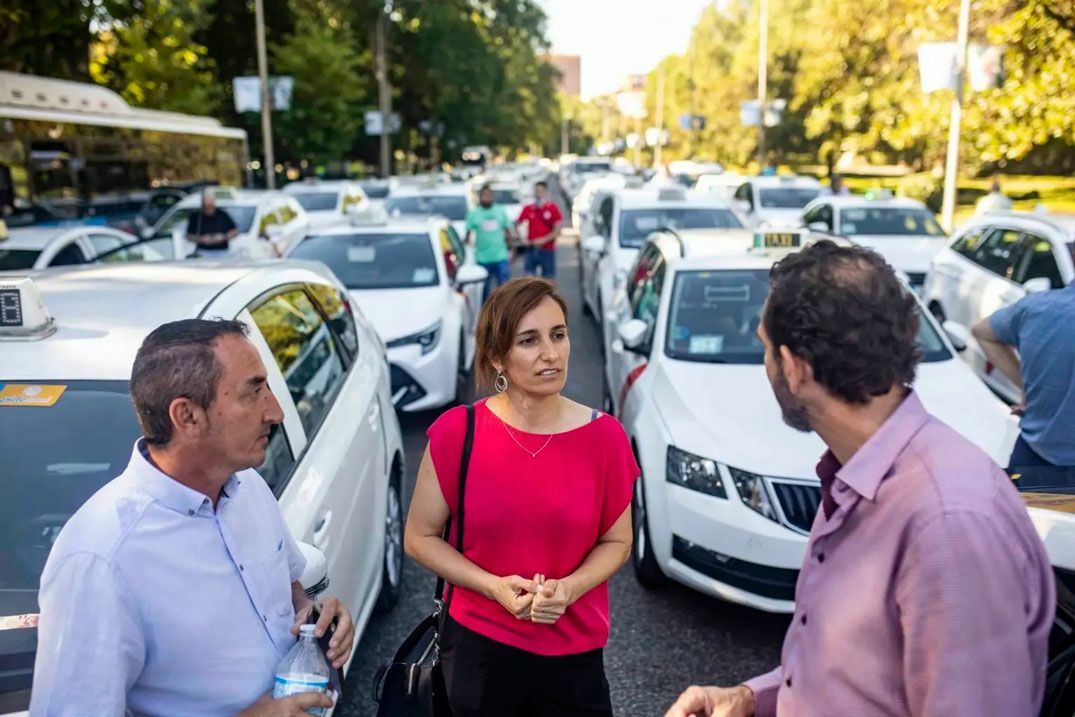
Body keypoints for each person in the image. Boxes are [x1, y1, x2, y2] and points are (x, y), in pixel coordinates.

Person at [666, 241, 1054, 717]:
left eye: (765, 348)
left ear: (794, 367)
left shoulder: (951, 525)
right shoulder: (861, 475)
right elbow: (857, 675)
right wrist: (753, 698)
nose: (764, 363)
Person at [31, 319, 355, 717]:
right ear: (186, 416)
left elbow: (293, 596)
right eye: (254, 391)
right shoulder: (98, 559)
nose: (276, 411)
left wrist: (318, 621)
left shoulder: (247, 486)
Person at [404, 277, 639, 717]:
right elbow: (419, 537)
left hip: (575, 656)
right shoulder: (459, 432)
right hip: (479, 652)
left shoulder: (604, 438)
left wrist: (569, 589)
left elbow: (617, 541)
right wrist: (493, 587)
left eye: (559, 335)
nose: (551, 354)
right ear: (497, 357)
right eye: (529, 340)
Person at [972, 281, 1075, 470]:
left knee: (1026, 501)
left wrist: (1028, 387)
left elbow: (982, 332)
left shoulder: (1036, 307)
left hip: (1033, 461)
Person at [465, 184, 514, 300]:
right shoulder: (474, 213)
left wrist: (511, 248)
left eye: (489, 195)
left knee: (505, 290)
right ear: (480, 197)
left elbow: (507, 230)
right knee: (484, 291)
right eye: (484, 195)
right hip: (482, 258)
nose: (487, 197)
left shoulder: (500, 211)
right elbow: (468, 234)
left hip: (500, 257)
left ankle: (505, 313)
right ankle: (486, 315)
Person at [516, 181, 563, 279]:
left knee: (548, 279)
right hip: (531, 248)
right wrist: (523, 239)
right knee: (529, 279)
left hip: (547, 249)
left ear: (545, 192)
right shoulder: (528, 208)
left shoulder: (552, 208)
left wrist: (544, 240)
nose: (538, 194)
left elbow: (557, 229)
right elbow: (518, 224)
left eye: (541, 191)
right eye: (537, 191)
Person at [186, 190, 239, 256]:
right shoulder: (196, 217)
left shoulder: (223, 215)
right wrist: (201, 239)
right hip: (203, 251)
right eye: (206, 206)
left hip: (222, 251)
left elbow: (235, 231)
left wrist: (224, 237)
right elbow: (189, 236)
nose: (208, 209)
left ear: (214, 203)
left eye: (210, 206)